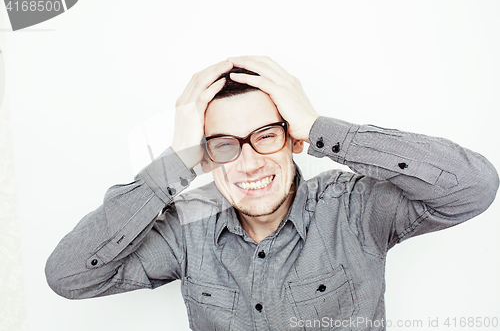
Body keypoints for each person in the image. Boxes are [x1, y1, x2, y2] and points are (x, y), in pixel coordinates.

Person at [46, 56, 499, 330]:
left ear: (295, 139)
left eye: (265, 135)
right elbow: (68, 276)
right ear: (205, 156)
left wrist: (324, 128)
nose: (249, 163)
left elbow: (473, 188)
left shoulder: (354, 209)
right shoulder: (186, 231)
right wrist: (174, 161)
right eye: (224, 144)